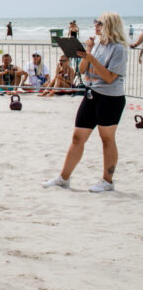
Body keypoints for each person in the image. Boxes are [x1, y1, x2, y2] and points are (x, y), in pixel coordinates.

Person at [43, 13, 129, 193]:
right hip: (92, 93)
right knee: (77, 137)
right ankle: (63, 178)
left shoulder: (118, 49)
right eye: (95, 22)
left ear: (109, 26)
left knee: (107, 139)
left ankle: (107, 181)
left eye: (99, 23)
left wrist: (92, 59)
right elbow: (82, 70)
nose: (96, 25)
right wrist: (87, 53)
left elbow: (110, 78)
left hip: (110, 97)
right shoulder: (97, 44)